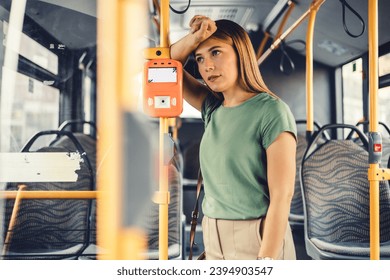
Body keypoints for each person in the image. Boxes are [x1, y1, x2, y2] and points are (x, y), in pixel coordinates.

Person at [170, 16, 297, 260]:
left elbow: (282, 195)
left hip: (257, 237)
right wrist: (194, 37)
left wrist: (266, 259)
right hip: (213, 236)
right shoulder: (212, 108)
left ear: (241, 53)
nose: (207, 66)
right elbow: (164, 64)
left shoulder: (272, 111)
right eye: (199, 58)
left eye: (216, 52)